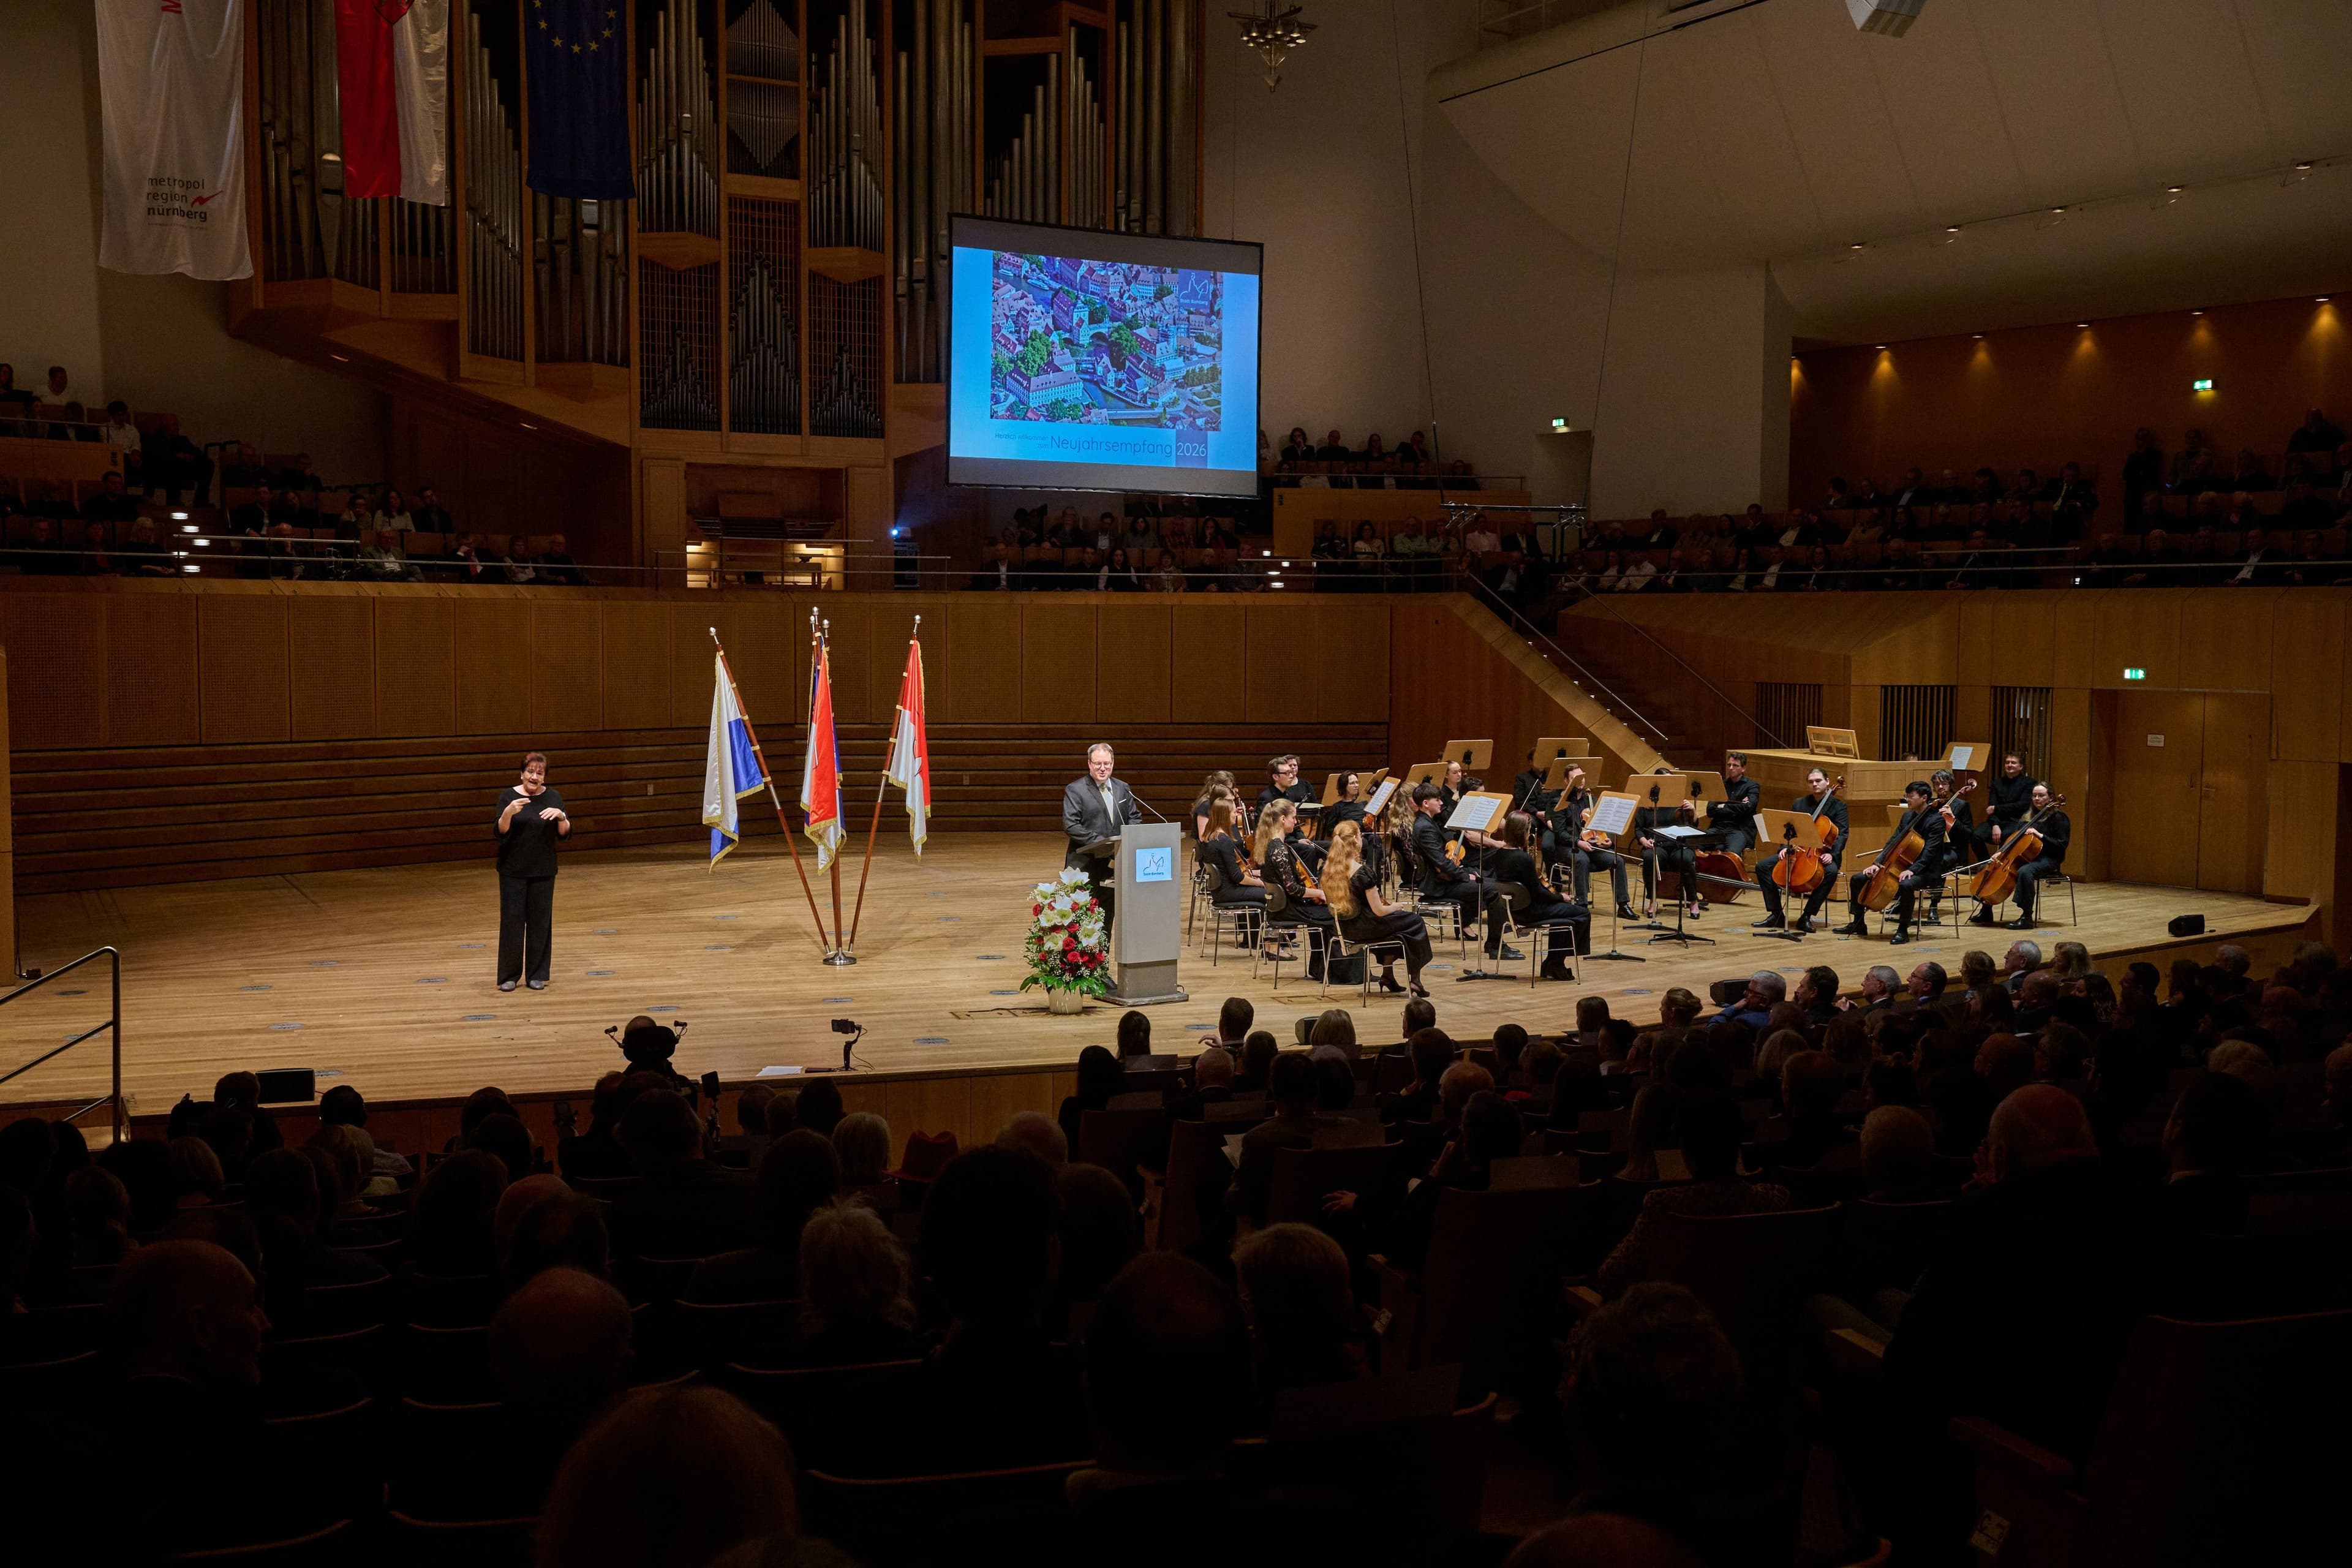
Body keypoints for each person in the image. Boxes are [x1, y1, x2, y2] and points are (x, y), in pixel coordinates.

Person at [1321, 819, 1431, 998]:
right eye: (1361, 835)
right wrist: (1396, 906)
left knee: (1398, 930)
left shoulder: (1328, 870)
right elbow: (1380, 911)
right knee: (1415, 922)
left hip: (1345, 930)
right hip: (1366, 928)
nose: (1363, 838)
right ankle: (1415, 981)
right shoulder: (1363, 873)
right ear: (1356, 841)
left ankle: (1388, 976)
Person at [1409, 782, 1513, 961]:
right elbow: (1441, 862)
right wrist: (1465, 875)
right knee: (1496, 890)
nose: (1441, 803)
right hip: (1441, 885)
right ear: (1426, 803)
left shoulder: (1428, 822)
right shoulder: (1424, 827)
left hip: (1446, 879)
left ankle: (1495, 941)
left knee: (1496, 885)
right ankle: (1495, 946)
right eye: (1437, 800)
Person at [492, 750, 570, 990]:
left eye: (539, 773)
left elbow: (565, 833)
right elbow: (500, 832)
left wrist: (561, 816)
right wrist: (509, 812)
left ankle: (536, 974)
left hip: (543, 870)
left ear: (544, 777)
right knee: (512, 923)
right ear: (522, 773)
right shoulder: (508, 797)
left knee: (540, 923)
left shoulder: (554, 797)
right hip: (513, 870)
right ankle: (509, 976)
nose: (534, 777)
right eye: (530, 772)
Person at [1836, 779, 1945, 944]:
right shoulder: (1908, 816)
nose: (1907, 800)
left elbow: (1930, 851)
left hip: (1926, 871)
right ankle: (1858, 923)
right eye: (1906, 796)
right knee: (1858, 879)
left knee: (1906, 885)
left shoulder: (1936, 820)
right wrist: (1877, 863)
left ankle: (1903, 930)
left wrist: (1913, 870)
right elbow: (1893, 842)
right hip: (1899, 866)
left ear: (1924, 798)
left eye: (1911, 796)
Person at [1490, 810, 1585, 978]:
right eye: (1528, 830)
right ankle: (1556, 963)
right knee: (1582, 913)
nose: (1529, 834)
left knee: (1565, 919)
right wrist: (1560, 897)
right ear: (1522, 833)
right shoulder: (1522, 858)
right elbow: (1538, 893)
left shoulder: (1500, 854)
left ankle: (1554, 963)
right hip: (1531, 911)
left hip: (1514, 910)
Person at [1755, 766, 1847, 932]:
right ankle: (1776, 914)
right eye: (1811, 782)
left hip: (1822, 854)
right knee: (1762, 867)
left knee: (1831, 872)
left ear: (1827, 782)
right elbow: (1789, 830)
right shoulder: (1800, 803)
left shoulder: (1838, 807)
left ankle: (1807, 916)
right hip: (1796, 851)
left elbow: (1842, 834)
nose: (1815, 784)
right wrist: (1785, 847)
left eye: (1818, 781)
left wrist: (1833, 855)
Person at [1970, 782, 2070, 930]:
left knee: (2025, 872)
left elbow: (2062, 845)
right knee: (1988, 867)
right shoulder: (2027, 817)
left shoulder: (2059, 818)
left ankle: (2027, 916)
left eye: (2041, 796)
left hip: (2049, 858)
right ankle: (1986, 910)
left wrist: (2040, 835)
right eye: (2035, 795)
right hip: (2026, 856)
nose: (2037, 798)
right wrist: (2001, 852)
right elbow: (2014, 839)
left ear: (2050, 798)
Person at [1063, 742, 1142, 922]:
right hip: (1085, 864)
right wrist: (1101, 842)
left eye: (1107, 763)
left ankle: (1103, 952)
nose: (1103, 768)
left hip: (1114, 865)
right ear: (1089, 764)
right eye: (1098, 764)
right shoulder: (1076, 790)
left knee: (1107, 918)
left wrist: (1129, 837)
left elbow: (1134, 817)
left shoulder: (1123, 788)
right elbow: (1071, 825)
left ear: (1113, 763)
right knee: (1082, 921)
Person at [1255, 801, 1333, 981]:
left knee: (1322, 914)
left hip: (1282, 906)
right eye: (1293, 817)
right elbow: (1293, 889)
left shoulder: (1272, 845)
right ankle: (1328, 969)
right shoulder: (1279, 850)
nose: (1295, 821)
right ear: (1283, 819)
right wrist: (1319, 893)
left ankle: (1319, 967)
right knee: (1330, 915)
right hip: (1288, 908)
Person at [1196, 799, 1267, 944]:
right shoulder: (1224, 841)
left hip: (1220, 889)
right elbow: (1237, 877)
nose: (1236, 814)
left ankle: (1252, 941)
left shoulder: (1211, 837)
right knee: (1269, 895)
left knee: (1260, 894)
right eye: (1233, 812)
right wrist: (1259, 883)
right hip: (1228, 891)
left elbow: (1229, 871)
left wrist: (1256, 875)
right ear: (1224, 815)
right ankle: (1265, 942)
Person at [1705, 752, 1761, 855]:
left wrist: (1723, 806)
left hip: (1739, 829)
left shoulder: (1752, 786)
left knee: (1731, 854)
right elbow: (1710, 810)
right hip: (1718, 827)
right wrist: (1738, 806)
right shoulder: (1720, 785)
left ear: (1743, 769)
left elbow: (1749, 807)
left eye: (1735, 765)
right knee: (1695, 845)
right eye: (1729, 765)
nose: (1731, 768)